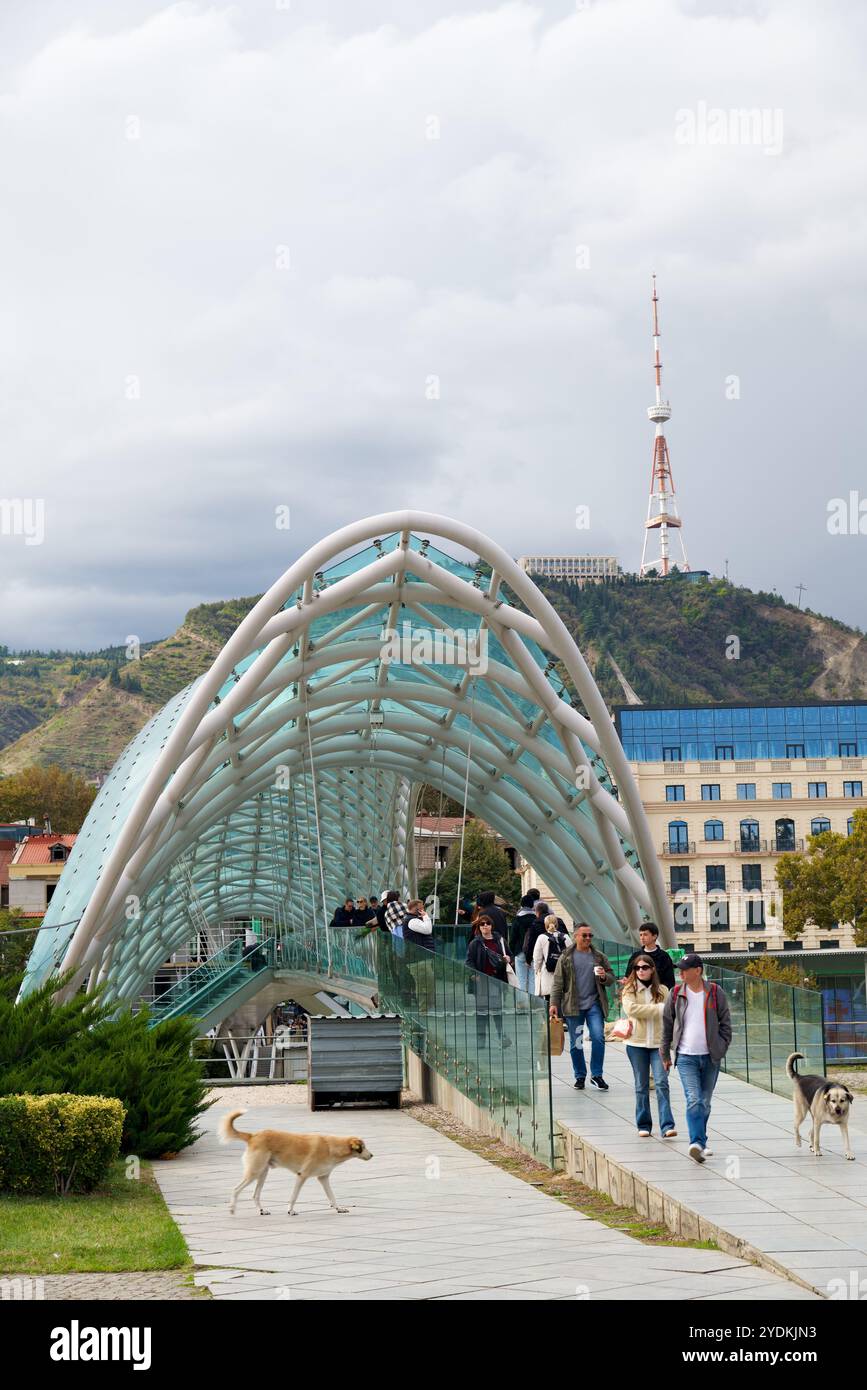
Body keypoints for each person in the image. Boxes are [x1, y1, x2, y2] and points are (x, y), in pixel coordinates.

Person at [660, 953, 732, 1163]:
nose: (680, 972)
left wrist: (721, 1047)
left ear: (698, 970)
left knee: (705, 1103)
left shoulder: (716, 992)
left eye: (684, 969)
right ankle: (697, 1143)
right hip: (685, 1057)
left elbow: (726, 1024)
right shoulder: (675, 993)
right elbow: (666, 1025)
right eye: (679, 969)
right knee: (694, 1099)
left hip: (710, 1058)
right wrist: (665, 1054)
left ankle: (701, 1141)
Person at [549, 924, 615, 1091]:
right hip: (573, 1006)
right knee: (576, 1043)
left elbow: (611, 978)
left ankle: (597, 1075)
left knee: (598, 1038)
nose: (587, 939)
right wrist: (554, 1004)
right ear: (575, 936)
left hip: (594, 1004)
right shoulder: (566, 957)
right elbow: (557, 983)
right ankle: (579, 1076)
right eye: (584, 935)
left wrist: (603, 977)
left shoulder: (599, 956)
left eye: (590, 935)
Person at [620, 955, 676, 1139]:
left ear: (652, 969)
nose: (640, 970)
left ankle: (667, 1125)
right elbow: (632, 1010)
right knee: (641, 1085)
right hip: (636, 1043)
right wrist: (659, 1009)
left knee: (661, 1082)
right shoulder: (629, 989)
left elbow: (670, 1014)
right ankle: (643, 1124)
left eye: (644, 967)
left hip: (659, 1044)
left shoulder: (662, 990)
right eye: (637, 968)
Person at [465, 915, 512, 1049]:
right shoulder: (475, 943)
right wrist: (474, 975)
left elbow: (510, 955)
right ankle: (481, 1041)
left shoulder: (500, 941)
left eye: (487, 924)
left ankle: (501, 1038)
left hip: (496, 980)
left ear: (491, 926)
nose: (485, 926)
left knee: (497, 1012)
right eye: (482, 924)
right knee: (481, 1013)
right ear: (479, 927)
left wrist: (508, 958)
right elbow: (469, 961)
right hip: (481, 982)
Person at [403, 898, 435, 1011]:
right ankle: (423, 1011)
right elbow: (427, 930)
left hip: (421, 958)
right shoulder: (412, 921)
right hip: (418, 959)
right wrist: (426, 916)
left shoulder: (413, 919)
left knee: (427, 985)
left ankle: (426, 1009)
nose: (423, 910)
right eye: (421, 908)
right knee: (423, 986)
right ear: (416, 909)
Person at [624, 922, 676, 991]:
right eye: (640, 935)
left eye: (645, 934)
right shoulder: (635, 956)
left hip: (659, 996)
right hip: (639, 995)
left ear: (654, 936)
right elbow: (628, 976)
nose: (642, 938)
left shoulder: (664, 956)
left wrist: (659, 992)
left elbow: (670, 981)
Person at [509, 893, 539, 994]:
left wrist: (512, 953)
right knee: (533, 980)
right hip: (534, 952)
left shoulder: (517, 919)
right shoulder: (537, 920)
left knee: (521, 980)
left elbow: (513, 938)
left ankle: (523, 1003)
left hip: (520, 951)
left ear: (521, 905)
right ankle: (534, 1004)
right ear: (532, 905)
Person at [532, 914, 567, 997]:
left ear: (545, 925)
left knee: (550, 1003)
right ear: (557, 924)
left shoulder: (542, 937)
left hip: (548, 975)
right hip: (564, 976)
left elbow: (537, 958)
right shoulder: (566, 937)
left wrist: (537, 970)